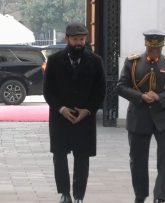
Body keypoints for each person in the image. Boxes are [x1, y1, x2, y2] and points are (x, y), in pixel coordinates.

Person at [116, 30, 165, 203]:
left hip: (163, 119)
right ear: (146, 45)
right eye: (150, 49)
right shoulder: (133, 63)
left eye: (157, 49)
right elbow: (121, 86)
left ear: (161, 47)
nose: (153, 53)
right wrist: (140, 96)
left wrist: (160, 97)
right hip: (139, 117)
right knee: (138, 160)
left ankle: (160, 197)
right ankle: (140, 195)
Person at [43, 22, 106, 203]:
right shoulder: (54, 61)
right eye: (76, 39)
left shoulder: (95, 61)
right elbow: (48, 91)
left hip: (84, 119)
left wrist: (88, 110)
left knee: (82, 158)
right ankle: (64, 193)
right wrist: (61, 109)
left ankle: (79, 195)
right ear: (67, 39)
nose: (79, 43)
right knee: (60, 157)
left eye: (82, 39)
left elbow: (100, 90)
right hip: (60, 118)